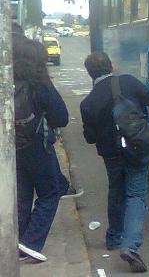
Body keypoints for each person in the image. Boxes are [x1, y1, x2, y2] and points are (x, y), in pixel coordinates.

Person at [80, 51, 149, 273]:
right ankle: (131, 246)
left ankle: (113, 237)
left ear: (90, 73)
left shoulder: (88, 102)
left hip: (111, 154)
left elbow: (90, 137)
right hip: (135, 148)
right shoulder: (127, 81)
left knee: (116, 190)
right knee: (136, 195)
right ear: (111, 66)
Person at [13, 34, 71, 263]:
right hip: (37, 145)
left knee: (23, 195)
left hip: (13, 148)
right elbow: (62, 117)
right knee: (51, 192)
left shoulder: (9, 81)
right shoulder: (41, 85)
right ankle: (31, 242)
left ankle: (18, 241)